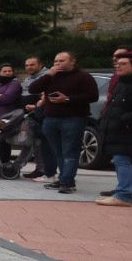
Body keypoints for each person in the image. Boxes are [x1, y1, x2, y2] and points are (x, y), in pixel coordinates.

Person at [27, 50, 98, 195]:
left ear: (72, 62)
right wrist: (49, 74)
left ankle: (67, 182)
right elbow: (32, 88)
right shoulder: (51, 77)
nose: (58, 64)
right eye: (56, 61)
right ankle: (63, 179)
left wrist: (67, 99)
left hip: (73, 118)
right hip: (51, 118)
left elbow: (92, 96)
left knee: (70, 151)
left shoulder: (83, 76)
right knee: (58, 151)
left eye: (62, 61)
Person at [97, 49, 132, 206]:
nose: (118, 66)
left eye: (123, 64)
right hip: (116, 129)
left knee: (122, 160)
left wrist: (125, 119)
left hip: (130, 130)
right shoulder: (121, 83)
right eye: (117, 63)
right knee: (120, 160)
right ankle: (124, 191)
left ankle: (124, 195)